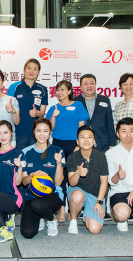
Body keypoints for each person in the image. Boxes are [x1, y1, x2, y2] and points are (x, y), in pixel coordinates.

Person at [46, 80, 89, 222]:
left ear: (70, 91)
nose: (59, 92)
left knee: (75, 176)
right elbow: (49, 129)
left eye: (63, 89)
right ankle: (62, 209)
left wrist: (79, 145)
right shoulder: (54, 107)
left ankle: (73, 210)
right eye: (57, 90)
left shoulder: (78, 105)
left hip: (74, 145)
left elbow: (82, 127)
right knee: (60, 177)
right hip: (57, 145)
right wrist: (53, 116)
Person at [20, 118, 65, 239]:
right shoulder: (25, 152)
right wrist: (32, 175)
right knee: (27, 233)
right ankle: (40, 217)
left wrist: (59, 163)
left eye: (45, 131)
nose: (42, 134)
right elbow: (24, 182)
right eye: (38, 131)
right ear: (33, 132)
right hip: (31, 196)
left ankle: (51, 219)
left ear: (50, 132)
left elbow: (58, 182)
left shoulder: (57, 151)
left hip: (52, 195)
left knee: (38, 205)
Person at [67, 125, 108, 235]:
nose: (86, 140)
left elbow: (104, 182)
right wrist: (78, 173)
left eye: (89, 137)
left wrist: (99, 202)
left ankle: (87, 212)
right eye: (82, 137)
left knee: (95, 230)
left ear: (94, 141)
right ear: (77, 141)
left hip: (95, 195)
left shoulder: (101, 157)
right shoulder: (72, 158)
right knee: (77, 196)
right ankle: (74, 219)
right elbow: (72, 182)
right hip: (78, 191)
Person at [7, 58, 48, 150]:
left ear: (38, 72)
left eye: (35, 69)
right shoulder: (14, 87)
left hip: (36, 134)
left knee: (33, 163)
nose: (31, 71)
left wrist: (37, 113)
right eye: (29, 68)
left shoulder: (43, 89)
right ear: (24, 70)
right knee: (17, 162)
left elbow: (42, 113)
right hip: (17, 133)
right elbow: (8, 110)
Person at [73, 74, 116, 152]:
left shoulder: (105, 100)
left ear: (95, 85)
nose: (89, 86)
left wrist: (112, 144)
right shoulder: (75, 101)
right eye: (85, 84)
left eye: (92, 83)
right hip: (82, 145)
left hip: (102, 145)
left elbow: (110, 123)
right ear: (81, 87)